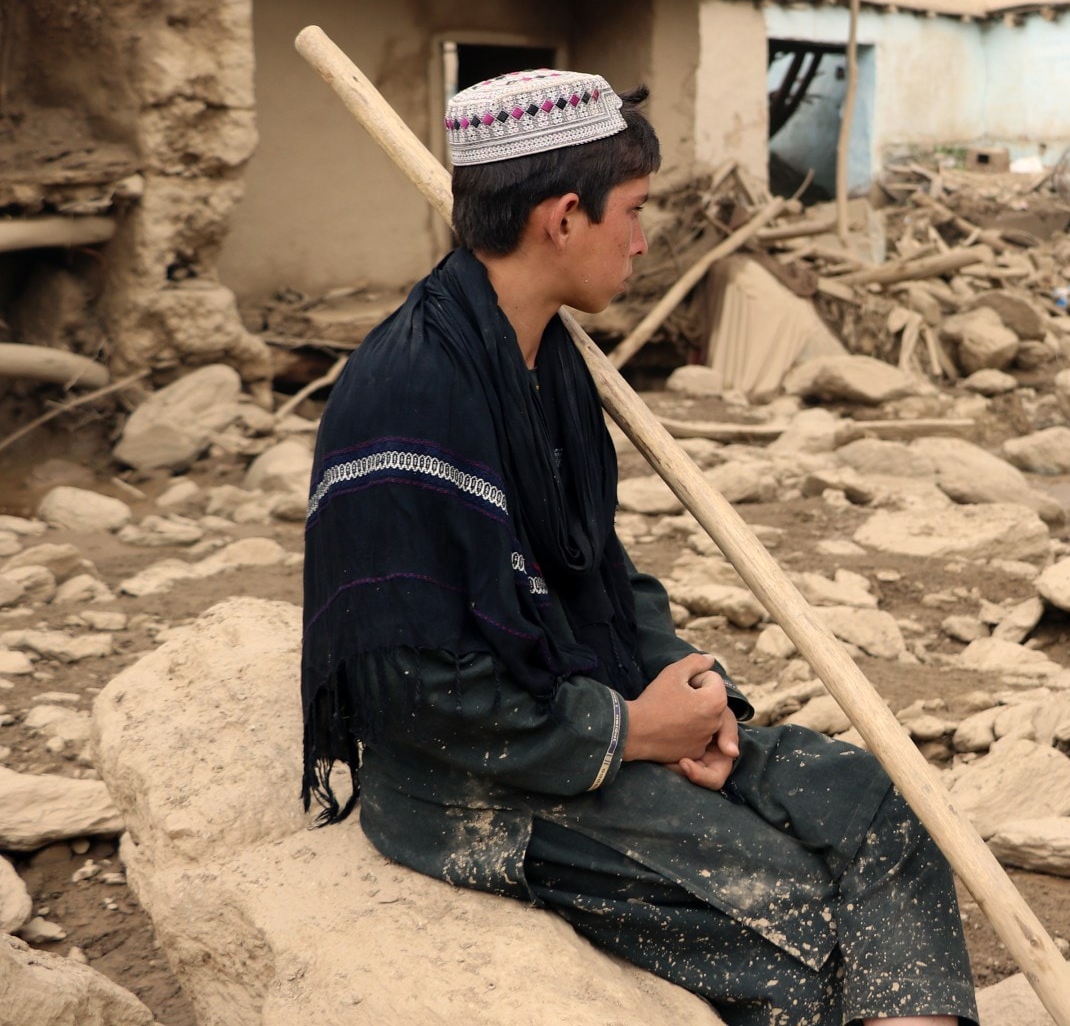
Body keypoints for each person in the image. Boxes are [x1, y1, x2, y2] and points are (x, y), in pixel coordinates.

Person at [300, 68, 975, 1026]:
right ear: (564, 217)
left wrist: (698, 699)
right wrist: (628, 732)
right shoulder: (410, 397)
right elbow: (412, 700)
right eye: (635, 210)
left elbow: (602, 572)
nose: (645, 238)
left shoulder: (548, 358)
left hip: (588, 707)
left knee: (879, 806)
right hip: (478, 786)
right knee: (792, 921)